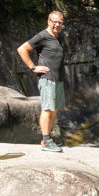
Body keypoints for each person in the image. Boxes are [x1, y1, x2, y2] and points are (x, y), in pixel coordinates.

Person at [18, 11, 66, 152]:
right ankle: (46, 141)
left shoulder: (58, 37)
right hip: (47, 79)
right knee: (47, 108)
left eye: (60, 22)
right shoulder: (42, 36)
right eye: (54, 21)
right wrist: (33, 67)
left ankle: (48, 139)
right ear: (48, 21)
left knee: (54, 109)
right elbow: (22, 49)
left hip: (58, 80)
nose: (57, 24)